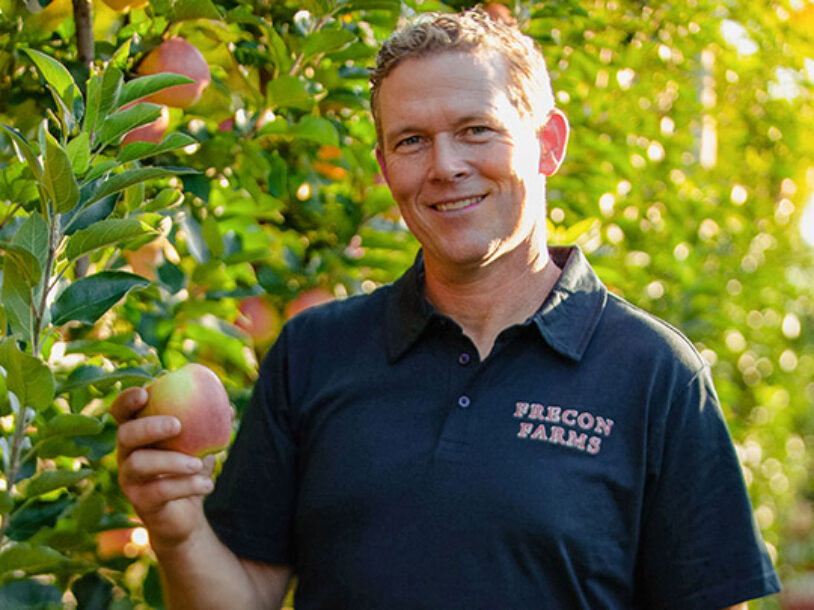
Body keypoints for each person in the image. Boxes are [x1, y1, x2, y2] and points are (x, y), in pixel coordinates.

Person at [113, 9, 781, 609]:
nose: (445, 166)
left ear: (548, 143)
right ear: (382, 165)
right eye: (411, 141)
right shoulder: (314, 353)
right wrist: (175, 531)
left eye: (476, 130)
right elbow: (246, 597)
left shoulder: (654, 374)